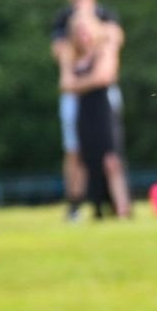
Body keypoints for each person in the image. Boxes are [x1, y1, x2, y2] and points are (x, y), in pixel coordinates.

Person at [50, 0, 125, 221]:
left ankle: (115, 204)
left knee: (109, 152)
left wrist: (88, 24)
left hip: (103, 99)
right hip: (76, 100)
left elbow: (114, 44)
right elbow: (61, 55)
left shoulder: (106, 14)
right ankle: (75, 203)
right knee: (74, 150)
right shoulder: (62, 18)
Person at [59, 11, 131, 219]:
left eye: (86, 31)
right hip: (84, 112)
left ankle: (122, 208)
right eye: (78, 32)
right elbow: (65, 84)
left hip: (103, 111)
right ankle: (94, 206)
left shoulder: (104, 50)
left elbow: (104, 77)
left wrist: (78, 84)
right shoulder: (70, 54)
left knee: (111, 159)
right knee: (86, 159)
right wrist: (86, 83)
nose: (83, 36)